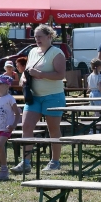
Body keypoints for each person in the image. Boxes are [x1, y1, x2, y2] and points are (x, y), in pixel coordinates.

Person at [10, 24, 66, 174]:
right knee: (26, 126)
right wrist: (24, 78)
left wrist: (40, 74)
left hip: (53, 96)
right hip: (33, 97)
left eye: (40, 36)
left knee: (53, 129)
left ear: (49, 36)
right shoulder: (33, 51)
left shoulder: (57, 52)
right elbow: (27, 71)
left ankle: (55, 162)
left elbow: (60, 75)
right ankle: (26, 162)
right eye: (35, 37)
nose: (37, 39)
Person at [0, 75, 21, 180]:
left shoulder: (10, 99)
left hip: (6, 128)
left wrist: (13, 125)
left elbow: (17, 113)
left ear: (7, 86)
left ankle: (4, 170)